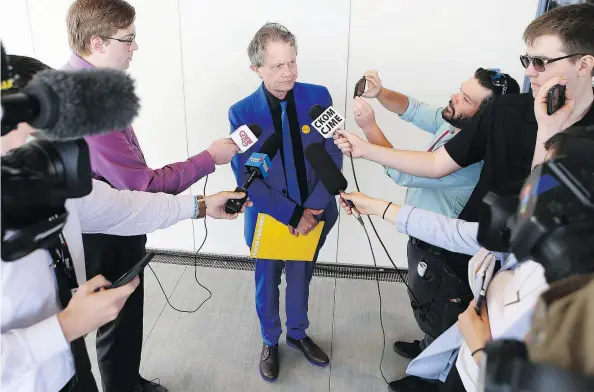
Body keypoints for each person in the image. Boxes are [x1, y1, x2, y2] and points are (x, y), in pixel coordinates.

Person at [1, 55, 251, 392]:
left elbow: (123, 207)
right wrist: (66, 326)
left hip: (70, 366)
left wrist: (201, 206)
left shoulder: (53, 183)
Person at [62, 1, 240, 391]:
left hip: (92, 226)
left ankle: (126, 380)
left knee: (115, 314)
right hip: (107, 233)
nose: (135, 48)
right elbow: (141, 188)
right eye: (128, 39)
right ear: (96, 41)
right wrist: (209, 159)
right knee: (118, 312)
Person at [339, 124, 594, 392]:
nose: (533, 189)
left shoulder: (579, 301)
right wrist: (377, 207)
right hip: (463, 368)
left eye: (549, 178)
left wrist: (481, 351)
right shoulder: (530, 241)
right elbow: (452, 232)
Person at [351, 68, 519, 359]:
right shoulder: (455, 120)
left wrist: (368, 130)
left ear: (486, 116)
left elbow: (401, 172)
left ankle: (432, 369)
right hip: (419, 234)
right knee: (424, 298)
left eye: (465, 98)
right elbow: (413, 108)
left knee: (439, 306)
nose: (454, 98)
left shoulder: (471, 161)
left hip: (439, 245)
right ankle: (427, 343)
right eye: (460, 89)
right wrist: (380, 93)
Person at [229, 22, 342, 382]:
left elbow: (333, 153)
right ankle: (269, 341)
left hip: (317, 209)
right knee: (267, 281)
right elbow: (246, 176)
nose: (289, 72)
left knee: (301, 275)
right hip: (269, 217)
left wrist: (313, 207)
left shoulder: (319, 96)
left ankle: (297, 333)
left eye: (292, 62)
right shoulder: (241, 113)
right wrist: (292, 213)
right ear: (256, 69)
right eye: (277, 66)